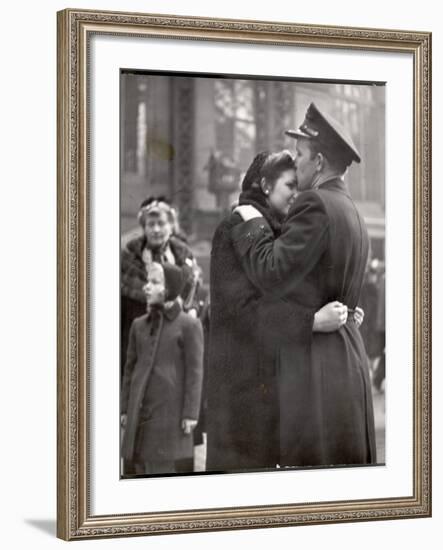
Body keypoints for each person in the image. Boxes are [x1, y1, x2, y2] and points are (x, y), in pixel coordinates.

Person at [232, 103, 376, 467]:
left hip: (315, 370)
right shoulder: (354, 213)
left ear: (320, 161)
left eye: (300, 155)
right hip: (348, 362)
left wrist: (250, 222)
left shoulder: (314, 202)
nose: (295, 165)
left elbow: (271, 270)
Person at [206, 150, 362, 472]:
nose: (296, 192)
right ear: (265, 184)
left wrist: (342, 310)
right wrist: (311, 322)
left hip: (268, 391)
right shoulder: (233, 228)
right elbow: (242, 313)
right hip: (240, 395)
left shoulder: (275, 228)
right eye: (289, 185)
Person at [120, 262, 204, 475]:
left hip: (169, 417)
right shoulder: (139, 325)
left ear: (170, 289)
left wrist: (191, 413)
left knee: (161, 471)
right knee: (134, 470)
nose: (146, 287)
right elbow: (129, 370)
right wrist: (124, 408)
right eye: (148, 281)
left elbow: (195, 372)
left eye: (154, 282)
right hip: (138, 416)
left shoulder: (189, 326)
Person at [121, 197, 199, 379]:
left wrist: (191, 309)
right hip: (137, 335)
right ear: (144, 228)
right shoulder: (129, 258)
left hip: (175, 339)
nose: (156, 229)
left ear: (171, 227)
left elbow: (191, 295)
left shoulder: (184, 257)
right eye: (151, 224)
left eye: (161, 224)